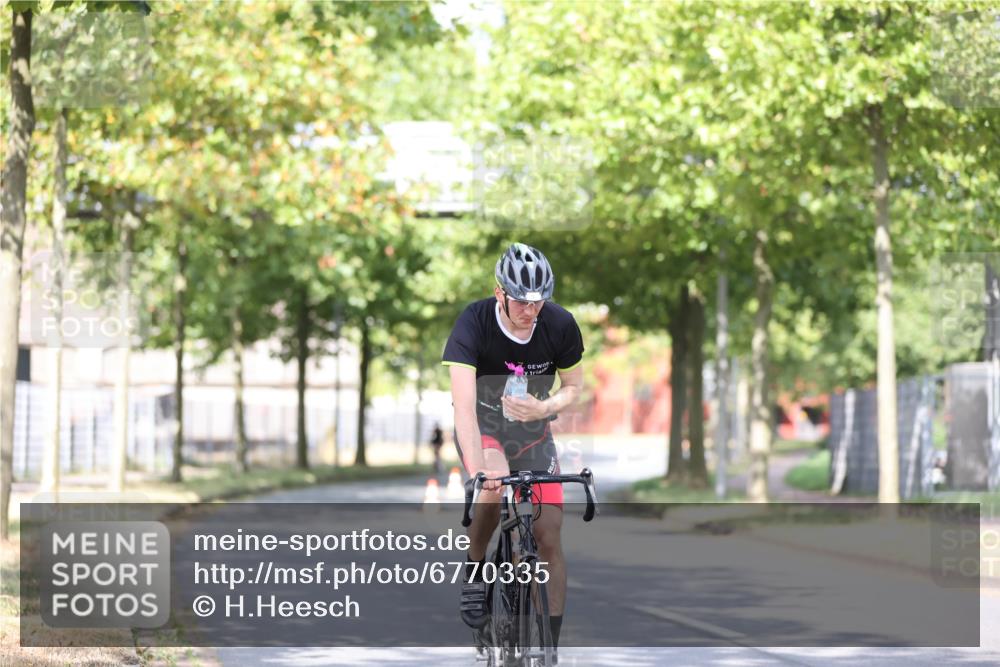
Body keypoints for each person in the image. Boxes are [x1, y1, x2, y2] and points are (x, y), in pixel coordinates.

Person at [441, 242, 584, 654]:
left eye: (539, 302)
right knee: (493, 482)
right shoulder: (474, 322)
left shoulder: (560, 325)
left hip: (534, 433)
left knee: (549, 535)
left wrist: (545, 406)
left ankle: (549, 645)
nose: (530, 310)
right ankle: (475, 566)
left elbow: (574, 387)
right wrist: (476, 473)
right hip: (484, 428)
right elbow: (463, 409)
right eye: (521, 301)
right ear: (500, 293)